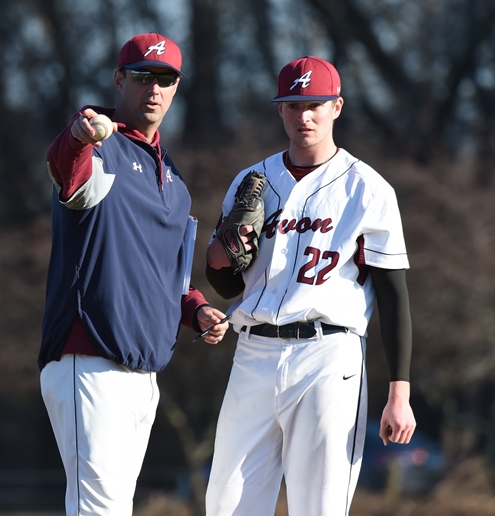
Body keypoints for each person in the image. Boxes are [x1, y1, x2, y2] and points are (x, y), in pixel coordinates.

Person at [203, 56, 417, 515]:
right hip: (253, 352)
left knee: (319, 506)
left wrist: (399, 394)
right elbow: (222, 283)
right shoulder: (251, 181)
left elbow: (395, 298)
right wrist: (223, 251)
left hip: (328, 354)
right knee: (226, 503)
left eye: (315, 104)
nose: (305, 116)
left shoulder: (368, 189)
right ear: (279, 109)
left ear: (336, 106)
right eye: (294, 104)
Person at [38, 33, 230, 515]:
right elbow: (67, 169)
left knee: (115, 508)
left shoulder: (175, 182)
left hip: (143, 369)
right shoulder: (102, 150)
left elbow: (169, 276)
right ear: (120, 79)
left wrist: (197, 309)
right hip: (90, 355)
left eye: (166, 79)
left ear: (177, 87)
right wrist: (82, 136)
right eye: (143, 76)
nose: (154, 89)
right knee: (97, 509)